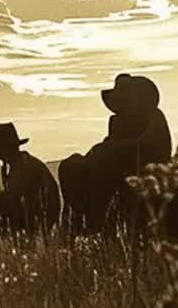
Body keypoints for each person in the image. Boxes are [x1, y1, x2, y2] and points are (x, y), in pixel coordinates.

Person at [59, 73, 172, 231]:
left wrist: (111, 148)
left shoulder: (154, 116)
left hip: (143, 174)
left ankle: (94, 222)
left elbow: (146, 145)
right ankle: (88, 219)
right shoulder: (118, 121)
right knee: (76, 166)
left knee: (100, 170)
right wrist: (102, 149)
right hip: (122, 173)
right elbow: (112, 142)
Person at [0, 122, 60, 231]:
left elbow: (11, 198)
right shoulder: (18, 164)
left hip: (37, 219)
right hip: (35, 216)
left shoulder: (24, 166)